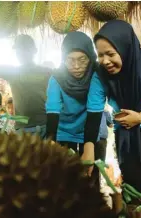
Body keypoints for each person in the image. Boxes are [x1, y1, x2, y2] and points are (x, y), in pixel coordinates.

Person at [84, 20, 141, 195]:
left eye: (110, 54)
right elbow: (94, 113)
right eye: (100, 55)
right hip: (125, 128)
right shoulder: (100, 75)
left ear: (125, 48)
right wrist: (88, 149)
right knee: (131, 183)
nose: (105, 61)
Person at [45, 31, 105, 180]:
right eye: (70, 60)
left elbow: (94, 110)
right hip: (64, 131)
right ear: (63, 59)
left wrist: (89, 148)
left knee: (91, 177)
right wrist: (51, 142)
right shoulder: (56, 78)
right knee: (67, 178)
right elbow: (53, 111)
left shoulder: (96, 76)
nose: (76, 66)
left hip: (90, 129)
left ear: (91, 58)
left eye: (82, 60)